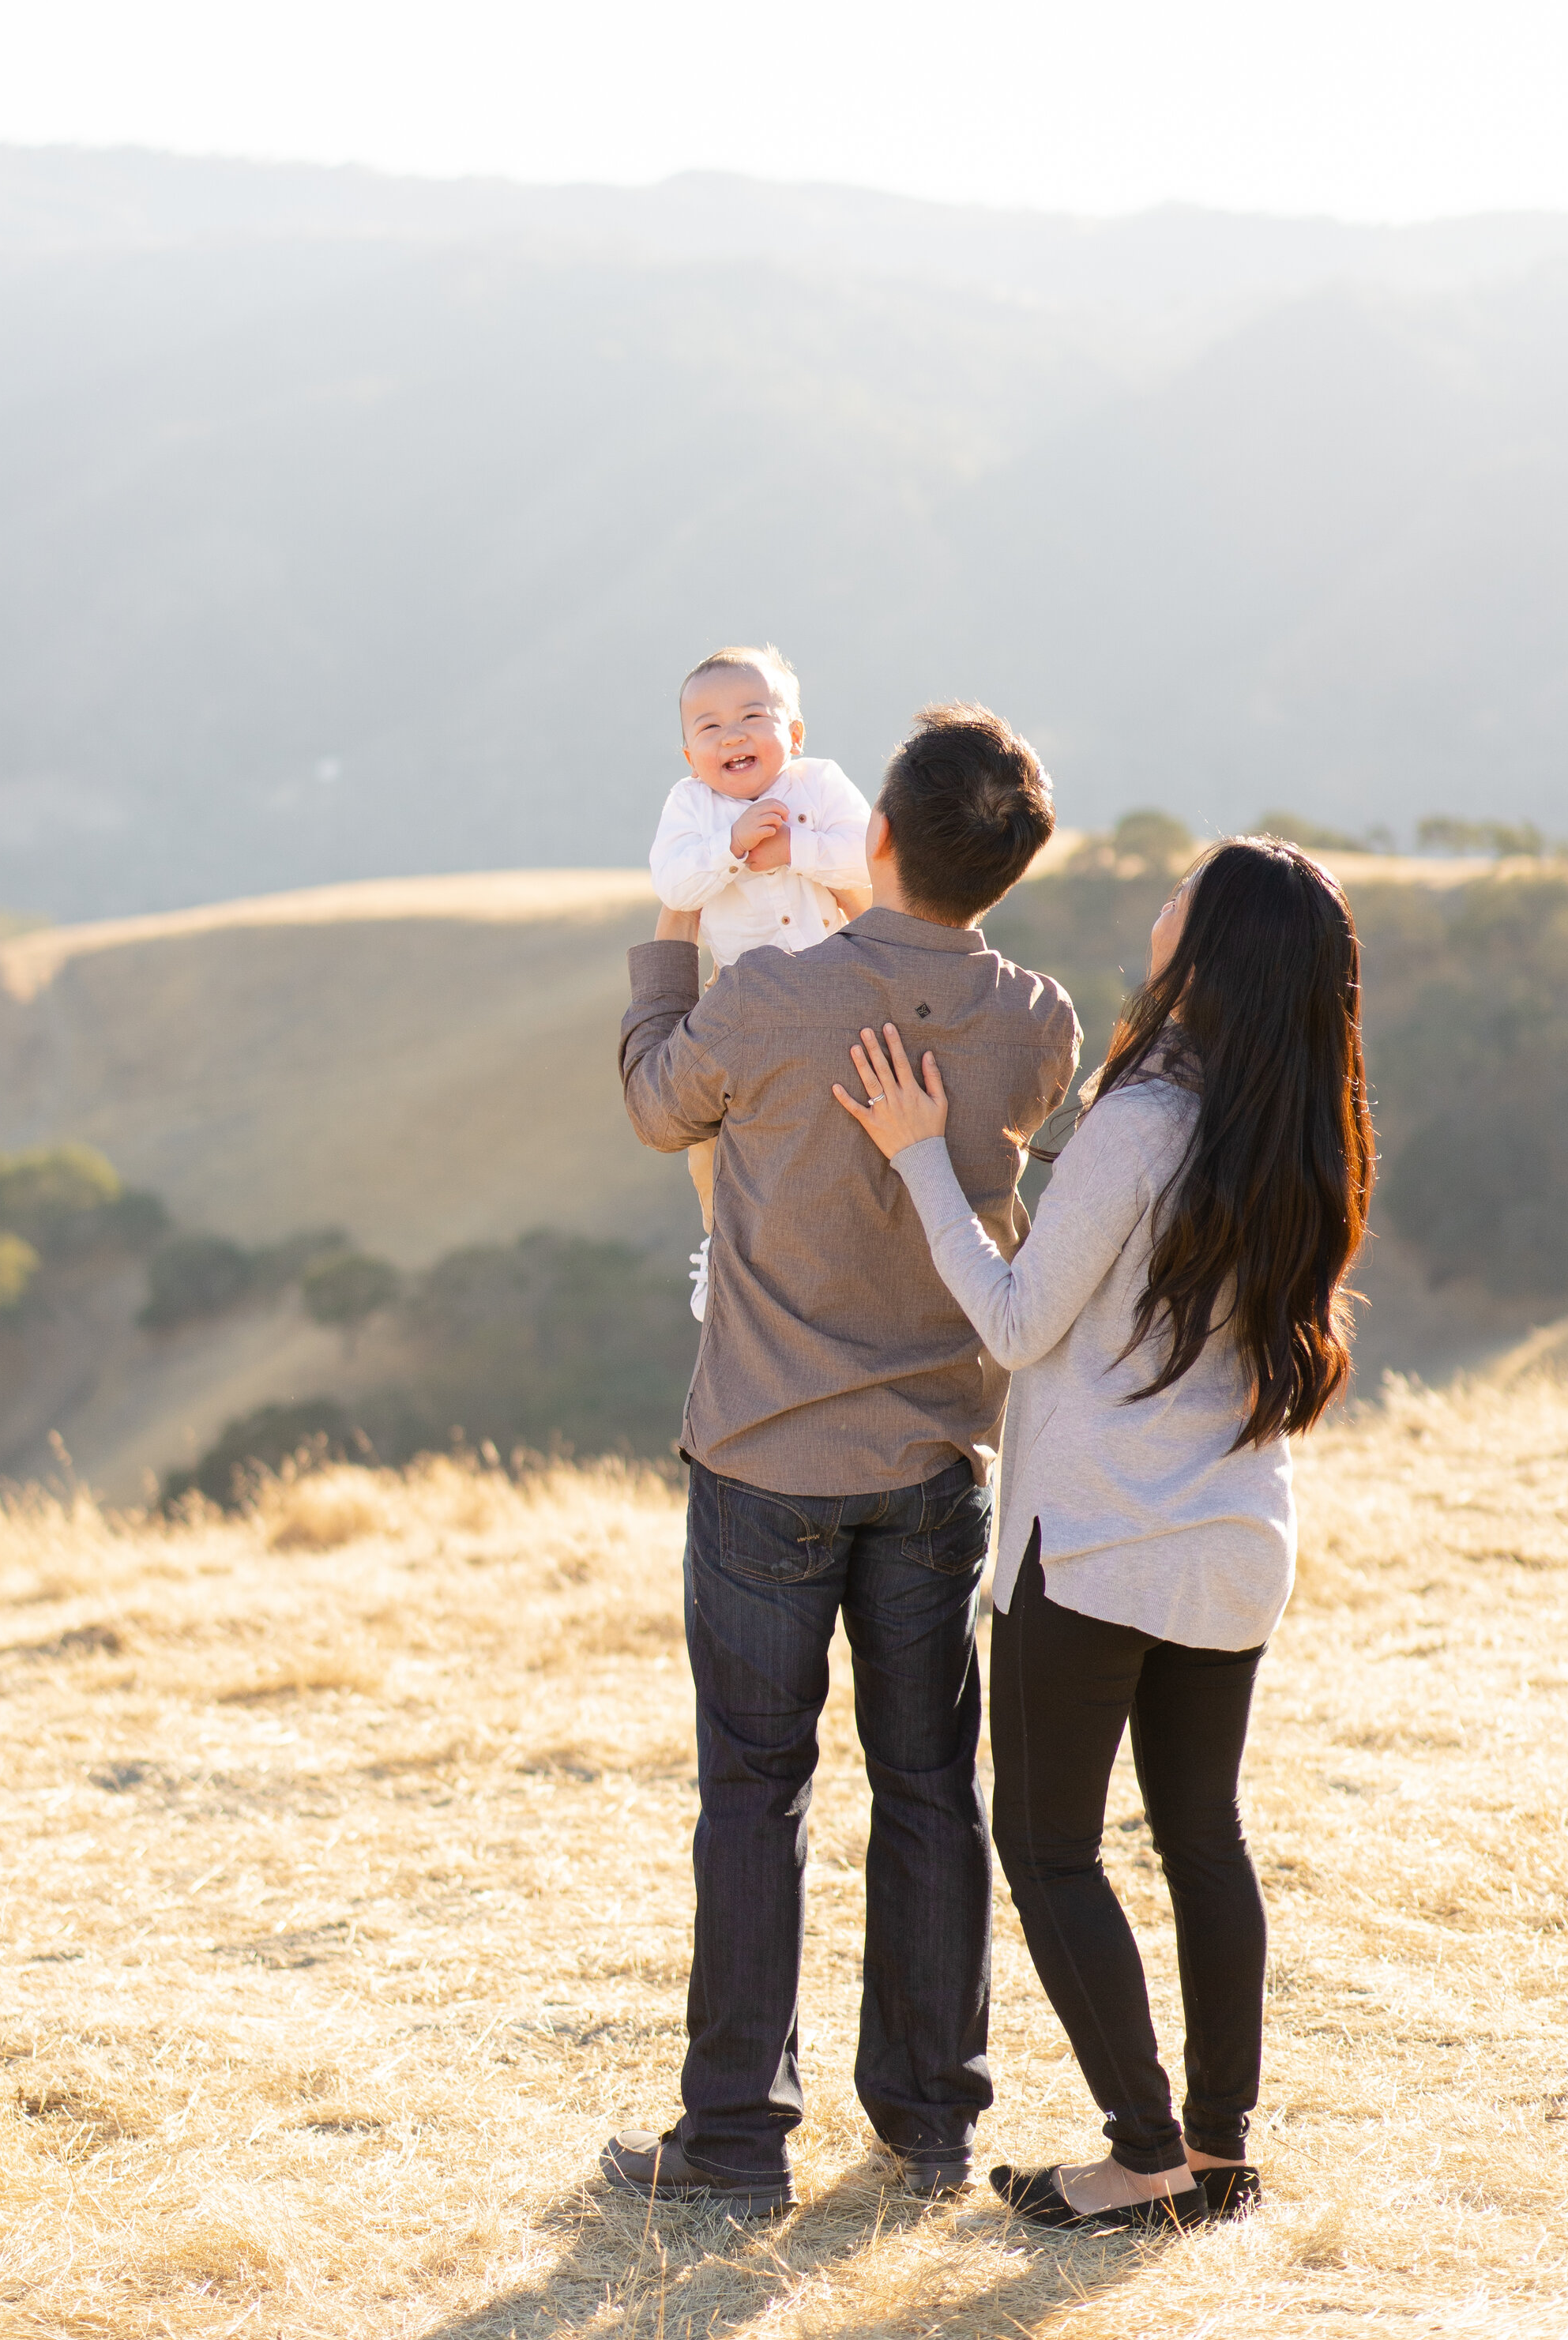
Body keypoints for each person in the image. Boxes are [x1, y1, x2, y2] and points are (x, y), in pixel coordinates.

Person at [836, 837, 1371, 2231]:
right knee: (1204, 1834)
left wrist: (916, 1163)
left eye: (1187, 893)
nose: (1164, 902)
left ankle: (1142, 2156)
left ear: (1218, 948)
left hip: (1092, 1544)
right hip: (1232, 1540)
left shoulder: (1144, 1122)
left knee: (1052, 1845)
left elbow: (1017, 1323)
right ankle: (1214, 2149)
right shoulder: (1307, 1126)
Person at [605, 704, 1079, 2214]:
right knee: (933, 1787)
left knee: (754, 1791)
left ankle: (737, 2144)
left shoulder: (776, 1001)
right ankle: (930, 2128)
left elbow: (650, 1098)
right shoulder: (1041, 1023)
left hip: (762, 1452)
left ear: (869, 834)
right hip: (940, 1459)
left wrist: (671, 928)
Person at [649, 645, 873, 1316]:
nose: (733, 735)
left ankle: (848, 1246)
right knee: (714, 1136)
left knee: (842, 1123)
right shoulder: (691, 807)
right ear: (690, 755)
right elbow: (674, 882)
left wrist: (792, 850)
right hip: (741, 1003)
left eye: (753, 715)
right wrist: (734, 847)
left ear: (795, 735)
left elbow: (870, 856)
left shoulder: (820, 784)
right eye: (708, 727)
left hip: (838, 988)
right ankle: (723, 1247)